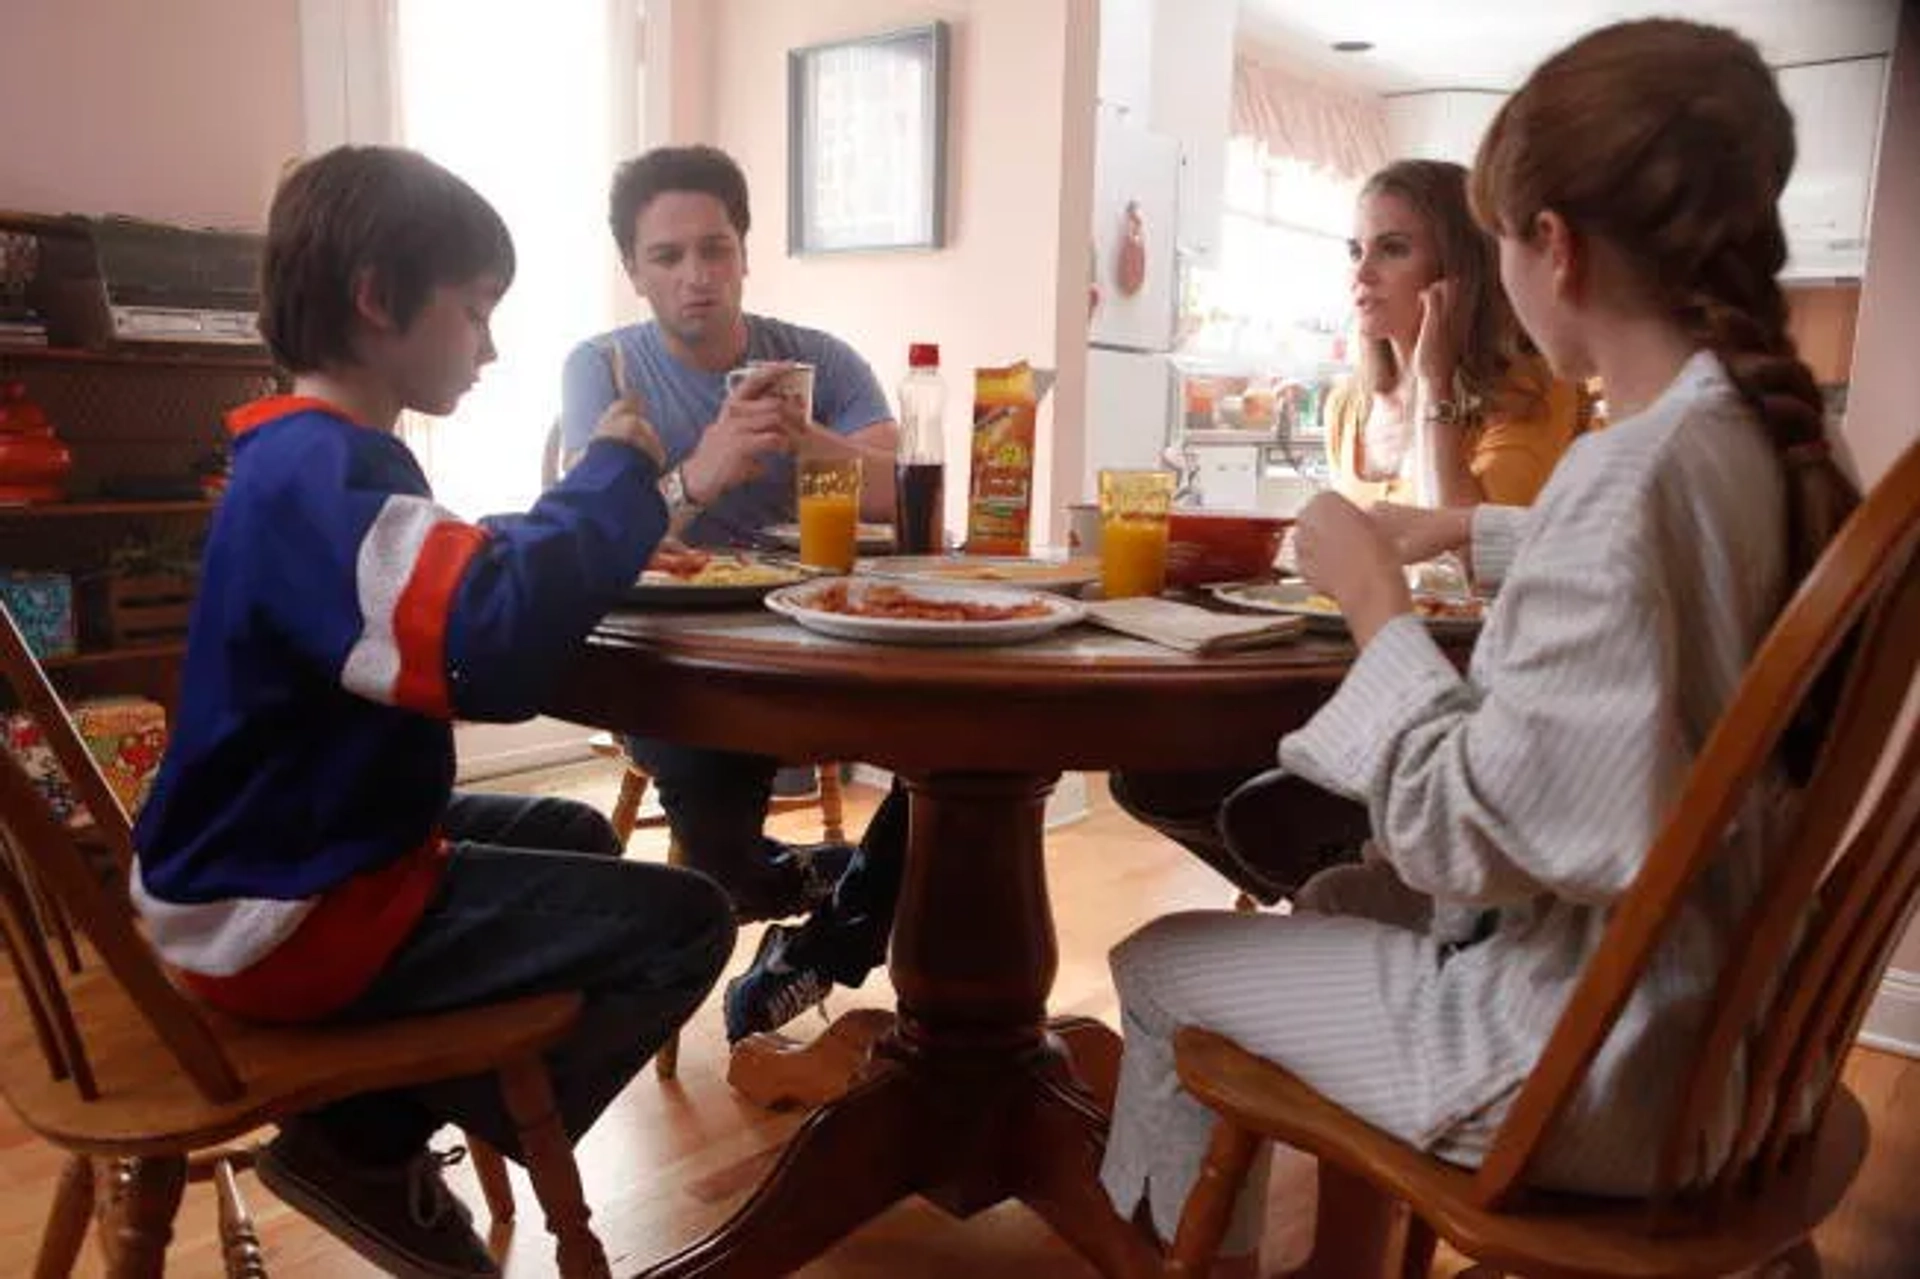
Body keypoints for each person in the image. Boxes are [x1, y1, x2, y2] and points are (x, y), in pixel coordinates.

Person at [1096, 18, 1860, 1276]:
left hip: (1585, 1071)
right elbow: (1655, 581)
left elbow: (1462, 830)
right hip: (1739, 1040)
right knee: (1340, 899)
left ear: (1550, 247)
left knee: (1164, 960)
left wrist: (1370, 597)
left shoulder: (1627, 482)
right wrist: (1467, 527)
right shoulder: (1771, 446)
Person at [131, 145, 736, 1279]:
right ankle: (365, 1139)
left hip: (266, 858)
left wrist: (570, 525)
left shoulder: (303, 460)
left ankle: (390, 1113)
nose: (491, 346)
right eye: (473, 312)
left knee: (571, 834)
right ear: (376, 299)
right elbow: (486, 654)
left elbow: (430, 580)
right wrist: (609, 479)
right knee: (687, 922)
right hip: (281, 914)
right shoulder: (325, 479)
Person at [1111, 159, 1592, 909]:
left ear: (1459, 271)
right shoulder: (1348, 405)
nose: (1362, 273)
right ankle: (1346, 902)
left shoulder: (1532, 394)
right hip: (1342, 675)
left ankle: (1369, 906)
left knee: (1264, 807)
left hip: (1466, 694)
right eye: (1355, 250)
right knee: (1149, 773)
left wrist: (1433, 383)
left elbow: (1470, 561)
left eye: (1393, 248)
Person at [559, 144, 901, 925]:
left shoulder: (824, 360)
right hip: (680, 655)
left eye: (716, 248)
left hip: (828, 635)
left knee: (969, 748)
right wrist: (700, 473)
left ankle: (834, 929)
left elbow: (903, 497)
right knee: (716, 828)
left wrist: (802, 433)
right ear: (633, 269)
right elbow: (581, 539)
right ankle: (833, 885)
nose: (696, 274)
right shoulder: (603, 367)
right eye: (667, 255)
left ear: (745, 254)